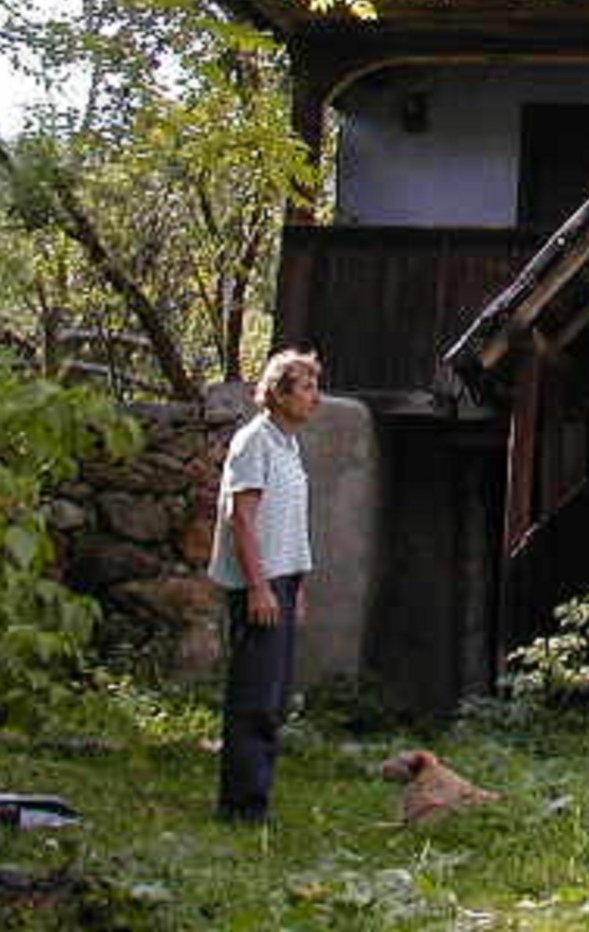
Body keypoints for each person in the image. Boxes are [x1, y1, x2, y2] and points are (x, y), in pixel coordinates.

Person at [207, 348, 321, 824]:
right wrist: (259, 588)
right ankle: (241, 807)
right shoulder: (254, 441)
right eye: (308, 387)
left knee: (272, 697)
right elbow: (242, 518)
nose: (317, 397)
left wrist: (298, 583)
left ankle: (257, 798)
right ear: (277, 393)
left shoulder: (288, 444)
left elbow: (289, 521)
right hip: (260, 581)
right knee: (254, 696)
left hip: (283, 579)